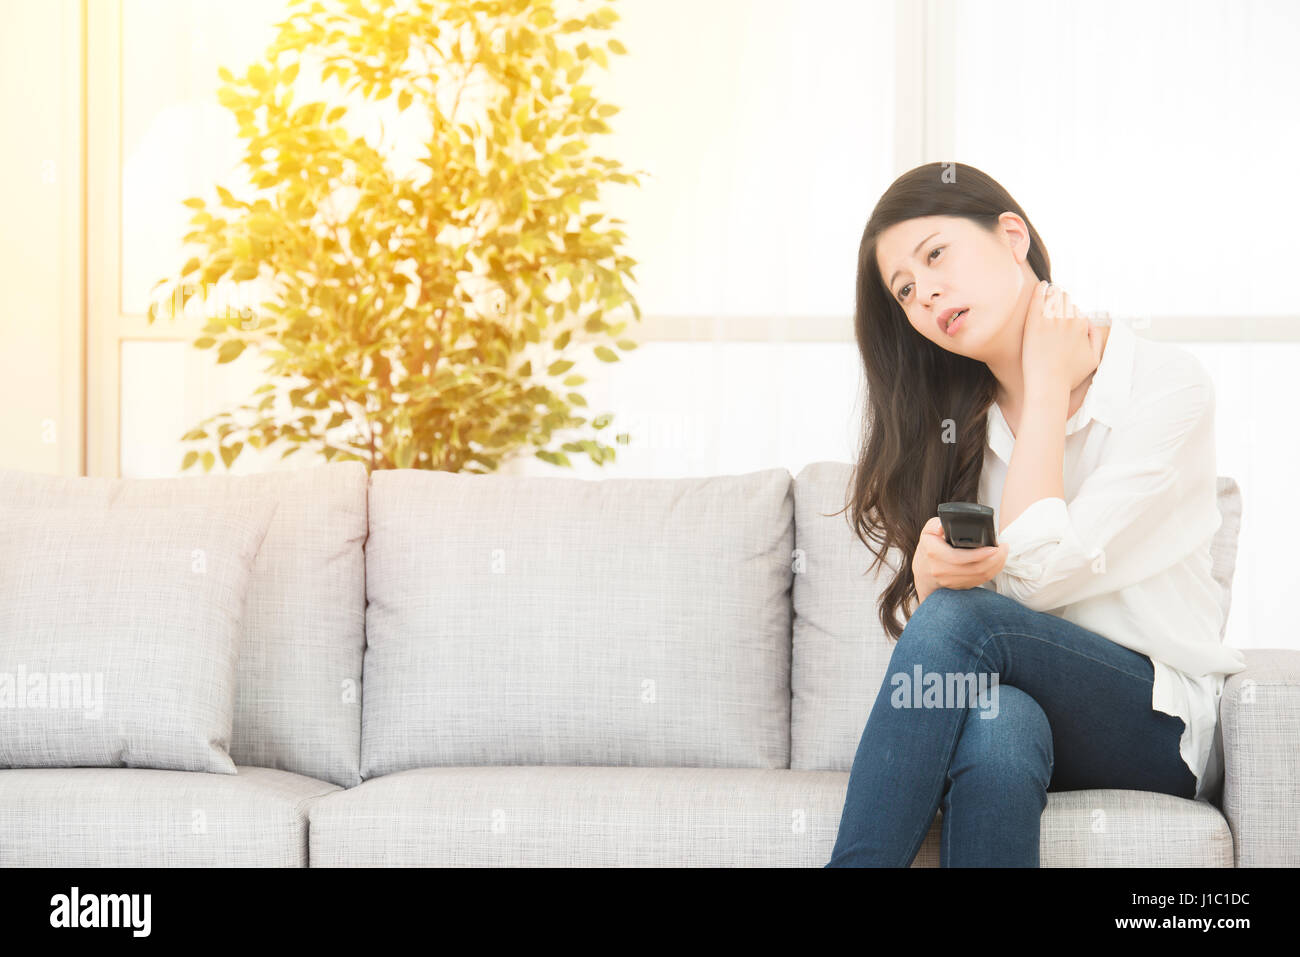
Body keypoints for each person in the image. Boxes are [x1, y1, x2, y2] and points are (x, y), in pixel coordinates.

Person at [823, 162, 1247, 867]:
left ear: (1011, 235)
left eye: (935, 255)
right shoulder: (956, 428)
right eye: (904, 290)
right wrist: (934, 586)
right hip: (1026, 708)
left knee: (963, 627)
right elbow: (975, 645)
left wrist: (1045, 386)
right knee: (996, 725)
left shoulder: (1166, 385)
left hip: (1155, 724)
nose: (925, 292)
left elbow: (1039, 580)